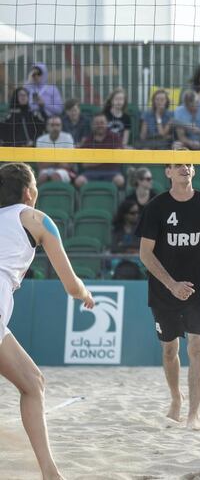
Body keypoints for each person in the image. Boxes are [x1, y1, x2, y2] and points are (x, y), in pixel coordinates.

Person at [0, 162, 95, 480]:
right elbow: (70, 285)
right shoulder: (35, 217)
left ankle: (50, 472)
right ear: (29, 192)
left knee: (33, 381)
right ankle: (49, 473)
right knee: (32, 386)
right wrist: (84, 293)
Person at [136, 161, 200, 429]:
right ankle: (176, 399)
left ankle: (193, 413)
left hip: (199, 285)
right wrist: (171, 284)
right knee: (169, 350)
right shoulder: (156, 207)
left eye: (188, 165)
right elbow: (145, 254)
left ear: (194, 171)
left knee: (195, 345)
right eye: (177, 165)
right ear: (167, 172)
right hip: (163, 287)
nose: (184, 168)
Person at [74, 114, 125, 189]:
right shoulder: (88, 140)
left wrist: (95, 160)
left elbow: (118, 158)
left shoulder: (115, 137)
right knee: (79, 181)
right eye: (97, 123)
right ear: (92, 125)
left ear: (107, 124)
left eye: (102, 123)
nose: (99, 125)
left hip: (112, 171)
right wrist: (108, 157)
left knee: (120, 181)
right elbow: (85, 164)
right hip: (91, 173)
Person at [35, 115, 75, 184]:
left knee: (55, 175)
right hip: (45, 170)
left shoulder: (68, 138)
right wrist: (59, 161)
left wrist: (49, 161)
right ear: (47, 127)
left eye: (58, 125)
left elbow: (69, 164)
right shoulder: (40, 140)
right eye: (52, 125)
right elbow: (40, 165)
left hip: (64, 171)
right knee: (42, 177)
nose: (55, 128)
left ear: (61, 126)